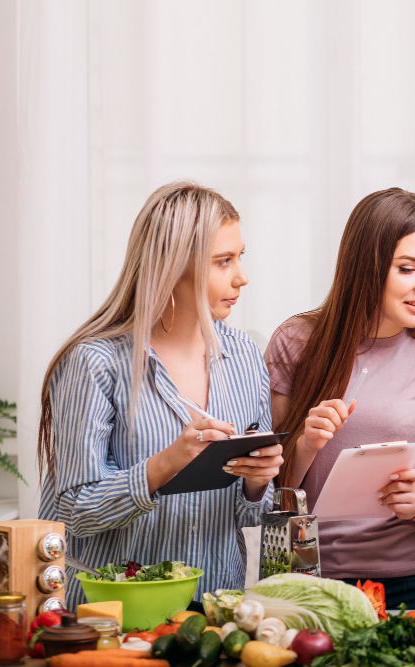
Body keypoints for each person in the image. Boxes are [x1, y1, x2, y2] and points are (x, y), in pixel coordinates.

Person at [38, 182, 281, 607]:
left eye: (239, 257)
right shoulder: (96, 362)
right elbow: (72, 510)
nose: (241, 276)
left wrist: (258, 484)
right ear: (172, 268)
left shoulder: (245, 356)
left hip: (212, 613)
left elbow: (251, 517)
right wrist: (164, 465)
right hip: (113, 617)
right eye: (223, 261)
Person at [266, 188, 415, 610]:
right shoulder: (296, 342)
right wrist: (307, 443)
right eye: (407, 268)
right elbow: (272, 488)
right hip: (307, 576)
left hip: (412, 582)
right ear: (366, 266)